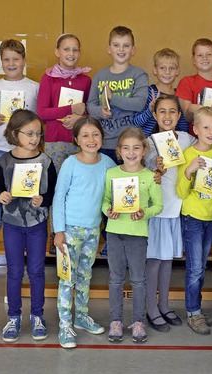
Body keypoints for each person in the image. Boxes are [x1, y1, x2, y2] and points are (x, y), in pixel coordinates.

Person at [0, 110, 56, 343]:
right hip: (12, 224)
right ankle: (13, 316)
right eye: (29, 133)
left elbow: (52, 194)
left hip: (38, 224)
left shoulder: (46, 162)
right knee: (15, 271)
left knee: (37, 271)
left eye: (38, 133)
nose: (34, 138)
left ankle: (38, 315)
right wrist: (1, 196)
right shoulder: (4, 161)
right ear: (14, 133)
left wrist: (43, 200)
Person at [53, 117, 116, 348]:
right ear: (77, 139)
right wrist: (58, 231)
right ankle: (65, 325)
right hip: (70, 231)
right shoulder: (71, 163)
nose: (91, 139)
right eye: (85, 135)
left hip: (93, 229)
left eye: (95, 134)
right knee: (67, 278)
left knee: (85, 276)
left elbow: (113, 193)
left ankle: (81, 316)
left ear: (102, 137)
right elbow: (59, 198)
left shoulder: (108, 163)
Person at [0, 39, 40, 248]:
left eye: (16, 59)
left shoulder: (34, 87)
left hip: (24, 151)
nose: (11, 63)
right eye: (6, 59)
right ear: (1, 61)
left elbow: (41, 116)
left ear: (24, 60)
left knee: (23, 189)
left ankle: (24, 226)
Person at [102, 127, 163, 343]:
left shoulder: (150, 177)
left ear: (144, 150)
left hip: (138, 235)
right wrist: (107, 211)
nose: (131, 152)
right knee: (115, 279)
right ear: (119, 150)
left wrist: (143, 213)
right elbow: (106, 200)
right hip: (114, 232)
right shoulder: (112, 173)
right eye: (126, 148)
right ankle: (115, 321)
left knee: (138, 280)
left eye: (136, 148)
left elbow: (158, 206)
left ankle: (138, 321)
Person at [144, 94, 195, 332]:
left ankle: (164, 304)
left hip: (176, 209)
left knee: (167, 261)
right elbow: (142, 170)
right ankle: (150, 307)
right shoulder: (148, 142)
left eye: (172, 111)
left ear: (179, 115)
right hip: (156, 210)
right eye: (162, 111)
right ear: (154, 115)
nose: (167, 116)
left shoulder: (186, 139)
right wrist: (155, 166)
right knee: (154, 261)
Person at [176, 107, 212, 335]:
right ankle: (193, 312)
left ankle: (198, 308)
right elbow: (181, 192)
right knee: (194, 269)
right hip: (193, 217)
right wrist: (188, 171)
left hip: (211, 217)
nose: (211, 131)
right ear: (195, 129)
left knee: (201, 267)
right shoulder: (188, 154)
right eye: (206, 127)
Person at [87, 26, 149, 163]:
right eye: (116, 45)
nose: (121, 49)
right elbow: (90, 105)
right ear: (109, 49)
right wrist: (100, 111)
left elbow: (139, 104)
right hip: (103, 144)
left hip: (130, 146)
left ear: (133, 50)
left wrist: (112, 97)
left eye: (126, 46)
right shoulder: (99, 76)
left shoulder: (139, 75)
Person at [37, 33, 91, 172]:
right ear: (57, 52)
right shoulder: (48, 78)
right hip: (55, 142)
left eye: (75, 50)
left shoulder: (85, 80)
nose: (71, 53)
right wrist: (71, 108)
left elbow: (89, 111)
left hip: (80, 141)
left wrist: (80, 119)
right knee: (56, 184)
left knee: (78, 182)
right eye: (66, 49)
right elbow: (42, 112)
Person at [132, 48, 189, 137]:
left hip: (171, 145)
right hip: (148, 145)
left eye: (172, 68)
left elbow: (183, 127)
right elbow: (135, 122)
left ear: (177, 71)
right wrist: (149, 110)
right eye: (162, 68)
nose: (167, 72)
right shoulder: (147, 92)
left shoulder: (179, 95)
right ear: (155, 70)